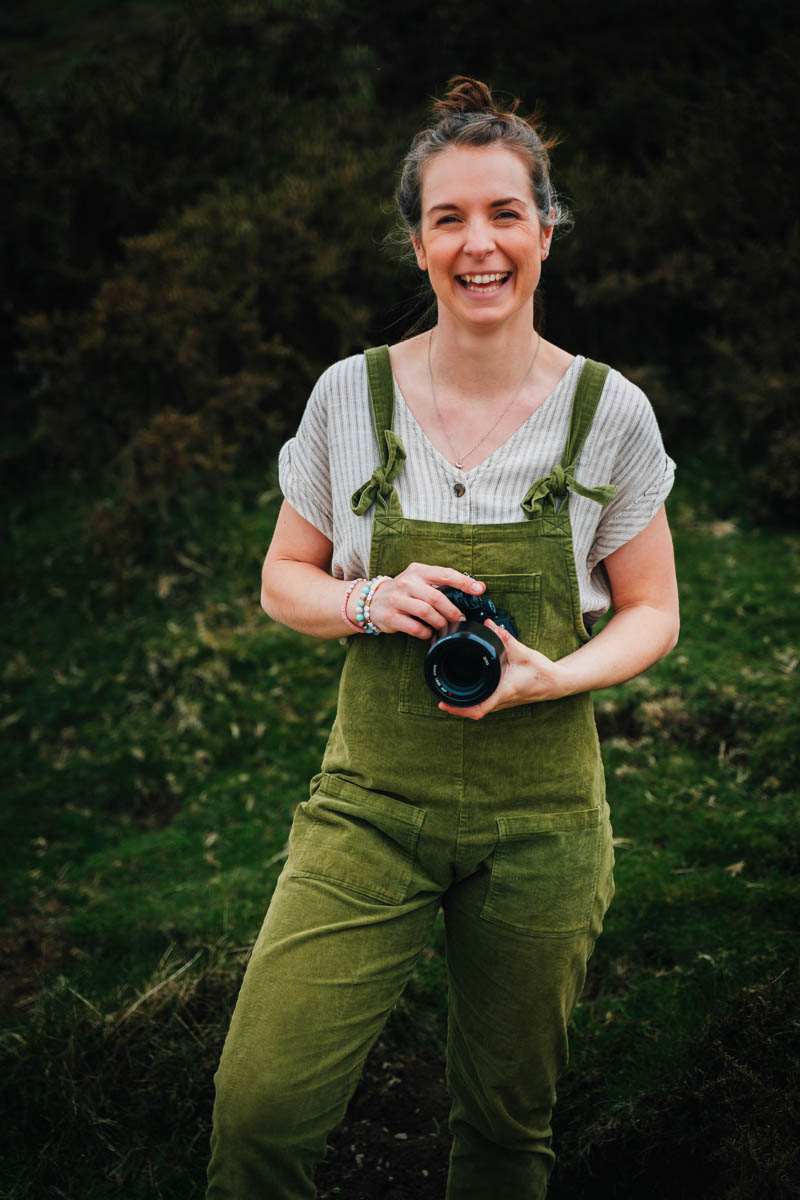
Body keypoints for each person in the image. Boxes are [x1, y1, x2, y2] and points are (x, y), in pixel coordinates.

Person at [206, 76, 679, 1199]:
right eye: (448, 218)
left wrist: (552, 674)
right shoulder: (346, 397)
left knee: (506, 1138)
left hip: (545, 821)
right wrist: (367, 600)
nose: (478, 245)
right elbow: (282, 581)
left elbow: (653, 609)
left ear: (545, 230)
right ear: (416, 242)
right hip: (368, 805)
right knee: (258, 1115)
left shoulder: (606, 410)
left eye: (504, 213)